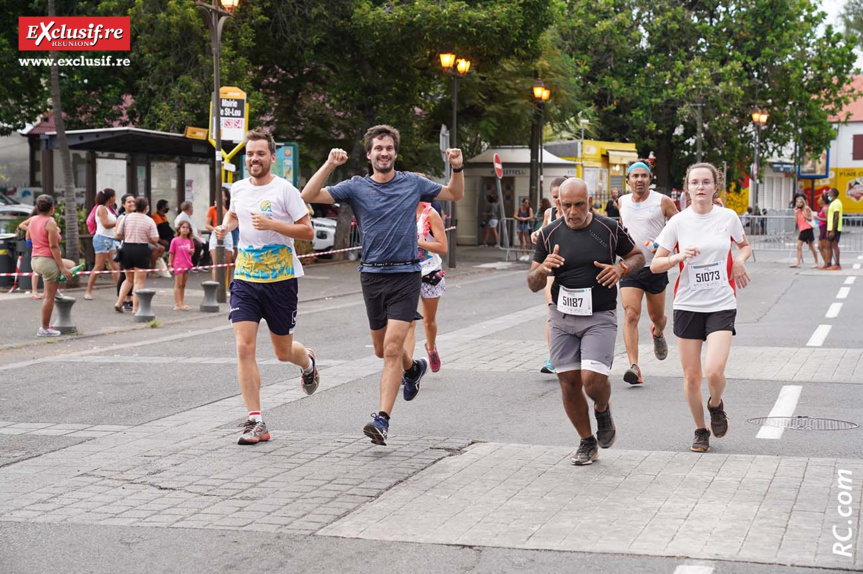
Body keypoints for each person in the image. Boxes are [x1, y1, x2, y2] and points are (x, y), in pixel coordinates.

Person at [301, 124, 464, 446]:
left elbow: (454, 193)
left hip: (405, 274)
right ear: (369, 153)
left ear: (395, 152)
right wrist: (331, 164)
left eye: (389, 148)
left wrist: (457, 167)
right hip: (371, 275)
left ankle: (382, 420)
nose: (384, 153)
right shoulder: (355, 186)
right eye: (378, 148)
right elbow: (307, 196)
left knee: (391, 348)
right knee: (381, 350)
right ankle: (413, 368)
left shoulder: (412, 183)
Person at [214, 128, 320, 446]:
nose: (254, 159)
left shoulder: (285, 190)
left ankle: (307, 362)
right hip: (245, 277)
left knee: (282, 352)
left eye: (260, 153)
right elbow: (235, 216)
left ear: (272, 157)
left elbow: (308, 232)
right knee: (244, 347)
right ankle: (256, 421)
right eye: (250, 154)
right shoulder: (238, 188)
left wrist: (273, 224)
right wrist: (225, 227)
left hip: (281, 279)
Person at [528, 178, 644, 465]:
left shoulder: (608, 228)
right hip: (562, 318)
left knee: (591, 381)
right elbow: (531, 282)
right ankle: (586, 440)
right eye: (566, 205)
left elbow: (639, 256)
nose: (573, 211)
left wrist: (621, 268)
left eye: (579, 204)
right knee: (568, 382)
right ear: (558, 204)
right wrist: (543, 269)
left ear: (589, 201)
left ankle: (602, 409)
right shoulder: (548, 234)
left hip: (599, 317)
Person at [650, 163, 752, 453]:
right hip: (687, 304)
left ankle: (715, 405)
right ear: (687, 187)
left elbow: (744, 246)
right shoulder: (678, 222)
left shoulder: (728, 217)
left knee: (714, 371)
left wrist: (741, 259)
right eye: (695, 182)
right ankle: (699, 429)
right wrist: (677, 256)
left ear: (714, 187)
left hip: (721, 302)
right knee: (692, 375)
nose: (700, 187)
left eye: (706, 182)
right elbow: (657, 263)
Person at [617, 161, 679, 385]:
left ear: (650, 179)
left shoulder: (663, 201)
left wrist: (663, 245)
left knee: (657, 317)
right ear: (628, 181)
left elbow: (679, 225)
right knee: (631, 314)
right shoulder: (622, 202)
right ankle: (634, 366)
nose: (639, 180)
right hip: (631, 266)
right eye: (635, 176)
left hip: (655, 266)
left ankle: (658, 332)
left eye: (644, 176)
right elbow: (623, 230)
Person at [403, 201, 448, 372]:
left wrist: (420, 243)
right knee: (408, 323)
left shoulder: (430, 214)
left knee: (428, 321)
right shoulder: (400, 211)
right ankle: (407, 368)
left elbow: (443, 247)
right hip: (407, 273)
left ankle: (431, 348)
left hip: (430, 272)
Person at [27, 195, 77, 337]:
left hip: (35, 260)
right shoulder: (50, 222)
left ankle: (57, 289)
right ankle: (44, 328)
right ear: (52, 207)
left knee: (71, 264)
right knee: (49, 297)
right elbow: (54, 247)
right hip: (47, 260)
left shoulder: (32, 220)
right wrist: (62, 268)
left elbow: (28, 238)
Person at [531, 176, 566, 374]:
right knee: (552, 308)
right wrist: (535, 235)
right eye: (555, 197)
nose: (559, 201)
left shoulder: (577, 211)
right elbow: (542, 233)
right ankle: (553, 355)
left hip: (573, 266)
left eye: (561, 196)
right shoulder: (549, 213)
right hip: (552, 265)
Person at [114, 197, 160, 314]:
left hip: (127, 249)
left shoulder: (126, 218)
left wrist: (129, 236)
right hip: (141, 249)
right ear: (146, 208)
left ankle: (119, 302)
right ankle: (135, 308)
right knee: (138, 281)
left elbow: (118, 235)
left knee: (128, 279)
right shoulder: (149, 220)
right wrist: (145, 237)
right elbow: (155, 238)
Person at [84, 188, 121, 300]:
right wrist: (119, 222)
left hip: (111, 238)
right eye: (114, 196)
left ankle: (120, 292)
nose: (115, 198)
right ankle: (88, 291)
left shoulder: (109, 209)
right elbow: (105, 224)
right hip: (102, 238)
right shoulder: (101, 208)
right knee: (99, 266)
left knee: (115, 266)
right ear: (110, 198)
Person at [206, 188, 234, 281]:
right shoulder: (212, 209)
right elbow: (207, 224)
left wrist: (221, 206)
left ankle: (225, 286)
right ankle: (216, 286)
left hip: (227, 233)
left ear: (226, 197)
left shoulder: (229, 209)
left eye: (221, 195)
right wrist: (215, 229)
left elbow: (229, 218)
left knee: (227, 263)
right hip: (215, 234)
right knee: (216, 263)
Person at [168, 221, 195, 310]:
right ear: (179, 229)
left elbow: (192, 251)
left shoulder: (189, 241)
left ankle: (181, 303)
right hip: (178, 264)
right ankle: (177, 304)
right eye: (183, 227)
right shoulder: (175, 240)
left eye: (187, 228)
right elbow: (171, 253)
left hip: (187, 264)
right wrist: (170, 264)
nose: (185, 229)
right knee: (178, 285)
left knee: (183, 285)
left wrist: (191, 252)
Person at [790, 195, 818, 268]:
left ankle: (816, 261)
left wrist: (805, 217)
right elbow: (796, 222)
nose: (799, 203)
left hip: (807, 229)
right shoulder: (797, 210)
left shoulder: (806, 208)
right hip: (802, 229)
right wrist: (796, 213)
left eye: (800, 202)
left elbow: (810, 219)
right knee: (801, 246)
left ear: (803, 202)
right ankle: (798, 263)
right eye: (797, 202)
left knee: (808, 247)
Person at [175, 201, 205, 268]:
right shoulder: (181, 217)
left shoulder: (189, 217)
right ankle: (193, 264)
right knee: (198, 245)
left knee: (207, 245)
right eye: (192, 208)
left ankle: (203, 264)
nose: (193, 210)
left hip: (195, 236)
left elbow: (193, 227)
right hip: (187, 237)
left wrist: (197, 230)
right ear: (189, 209)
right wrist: (194, 237)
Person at [827, 187, 843, 270]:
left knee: (834, 245)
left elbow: (836, 217)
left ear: (833, 194)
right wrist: (828, 229)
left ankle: (837, 264)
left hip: (835, 228)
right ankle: (828, 263)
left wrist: (833, 230)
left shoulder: (836, 203)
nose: (828, 194)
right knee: (829, 245)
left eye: (829, 193)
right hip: (830, 227)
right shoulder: (832, 203)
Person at [815, 194, 832, 268]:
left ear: (823, 200)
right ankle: (826, 263)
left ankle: (826, 264)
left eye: (820, 198)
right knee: (820, 246)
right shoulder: (824, 207)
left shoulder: (826, 208)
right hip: (822, 228)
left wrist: (818, 218)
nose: (818, 199)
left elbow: (828, 220)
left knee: (823, 246)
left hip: (824, 228)